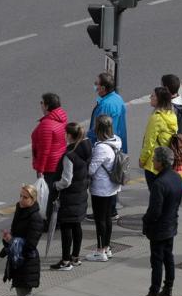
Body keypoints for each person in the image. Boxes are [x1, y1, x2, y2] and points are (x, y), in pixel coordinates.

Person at [133, 146, 182, 296]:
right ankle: (167, 288)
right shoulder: (177, 177)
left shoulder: (158, 183)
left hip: (159, 228)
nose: (152, 161)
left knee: (157, 261)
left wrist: (145, 221)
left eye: (154, 159)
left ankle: (153, 293)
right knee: (168, 257)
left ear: (161, 163)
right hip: (171, 224)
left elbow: (154, 211)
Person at [1, 183, 43, 296]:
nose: (21, 199)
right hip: (19, 261)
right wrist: (8, 240)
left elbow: (30, 245)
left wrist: (13, 241)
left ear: (32, 199)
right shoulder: (21, 211)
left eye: (25, 197)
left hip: (27, 262)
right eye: (20, 196)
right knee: (22, 295)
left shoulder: (35, 218)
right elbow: (16, 232)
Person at [50, 122, 92, 271]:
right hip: (81, 194)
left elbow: (66, 181)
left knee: (67, 228)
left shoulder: (69, 155)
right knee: (77, 226)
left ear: (69, 135)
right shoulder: (86, 149)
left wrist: (56, 185)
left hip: (69, 197)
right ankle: (75, 257)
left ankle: (65, 260)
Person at [86, 114, 122, 261]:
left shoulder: (102, 148)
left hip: (101, 189)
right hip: (113, 187)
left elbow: (91, 169)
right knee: (107, 218)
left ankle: (100, 251)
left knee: (100, 219)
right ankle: (106, 248)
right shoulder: (117, 140)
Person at [140, 86, 179, 185]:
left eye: (152, 96)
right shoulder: (172, 115)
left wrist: (142, 160)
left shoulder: (156, 118)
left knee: (155, 195)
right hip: (166, 161)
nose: (150, 97)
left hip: (154, 163)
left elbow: (149, 142)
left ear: (159, 99)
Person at [30, 92, 67, 180]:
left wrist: (40, 170)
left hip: (49, 166)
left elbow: (44, 150)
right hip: (59, 161)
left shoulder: (46, 124)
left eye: (42, 102)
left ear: (47, 106)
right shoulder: (61, 116)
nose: (40, 105)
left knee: (47, 191)